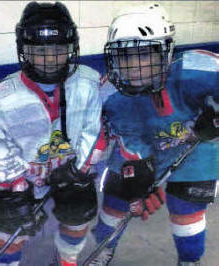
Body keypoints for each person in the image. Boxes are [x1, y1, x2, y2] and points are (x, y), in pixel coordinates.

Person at [90, 3, 219, 266]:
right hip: (139, 147)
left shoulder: (195, 70)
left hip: (195, 148)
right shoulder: (109, 94)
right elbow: (122, 139)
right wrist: (138, 179)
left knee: (186, 212)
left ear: (165, 52)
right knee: (115, 202)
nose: (134, 66)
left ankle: (189, 260)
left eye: (145, 54)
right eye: (125, 56)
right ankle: (102, 250)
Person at [0, 2, 105, 265]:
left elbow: (95, 133)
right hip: (23, 177)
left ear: (70, 48)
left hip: (71, 170)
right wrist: (15, 187)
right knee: (8, 232)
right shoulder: (3, 97)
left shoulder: (88, 82)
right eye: (39, 50)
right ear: (24, 50)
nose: (49, 59)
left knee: (79, 213)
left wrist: (79, 171)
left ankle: (67, 259)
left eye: (58, 49)